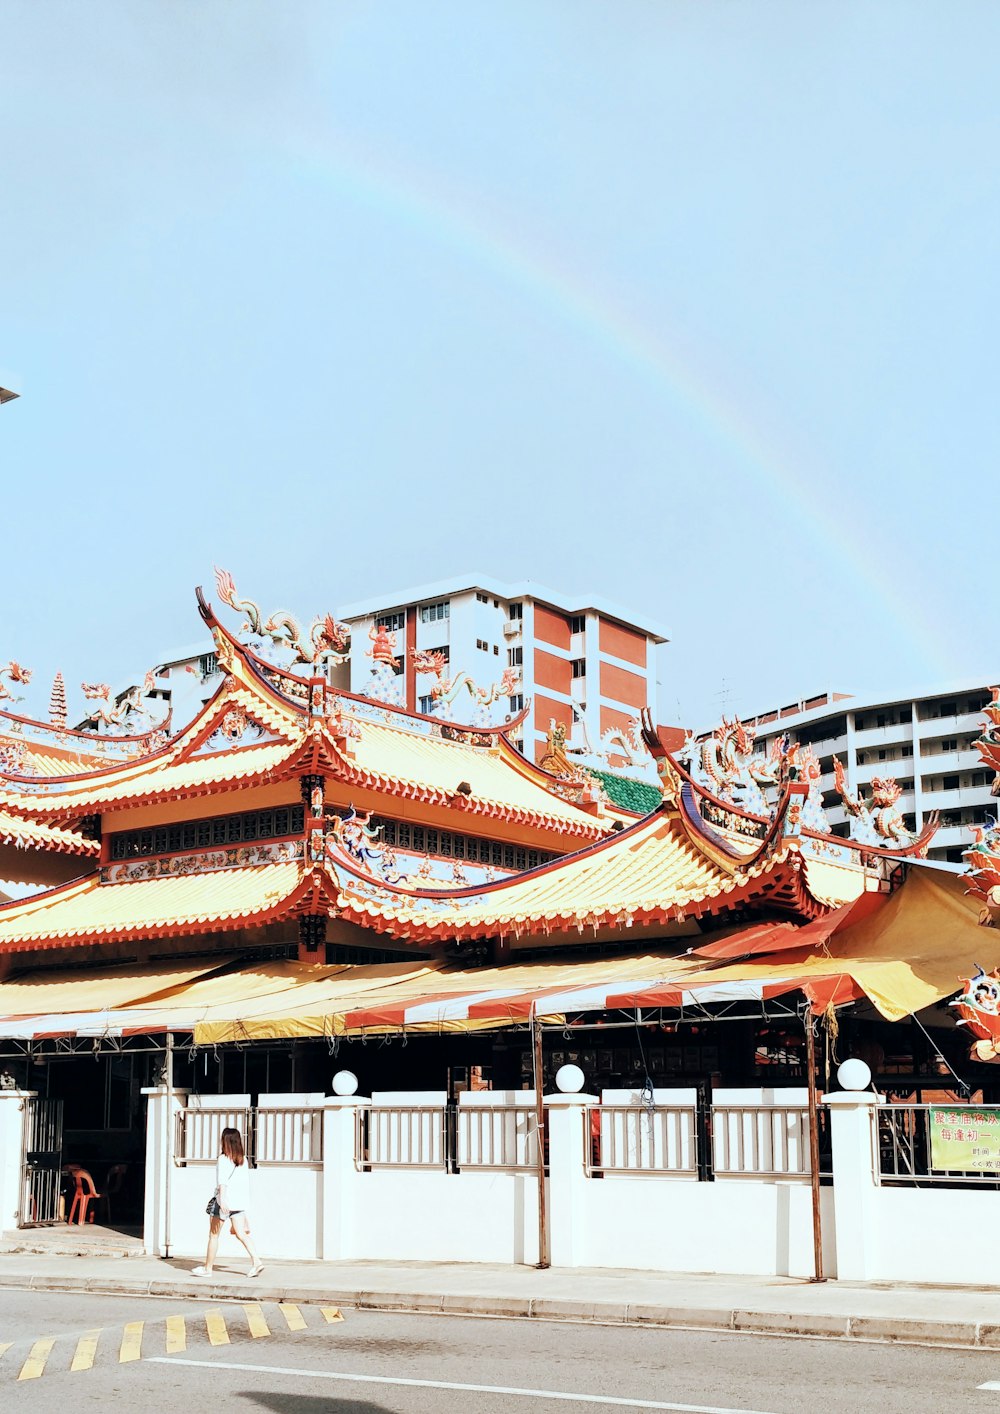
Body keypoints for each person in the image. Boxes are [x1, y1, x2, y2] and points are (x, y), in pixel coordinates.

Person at [192, 1126, 263, 1278]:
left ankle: (208, 1269)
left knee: (213, 1236)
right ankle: (257, 1261)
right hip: (238, 1203)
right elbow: (243, 1185)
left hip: (224, 1202)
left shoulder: (223, 1159)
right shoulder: (243, 1160)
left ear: (225, 1141)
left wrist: (222, 1202)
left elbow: (222, 1183)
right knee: (242, 1234)